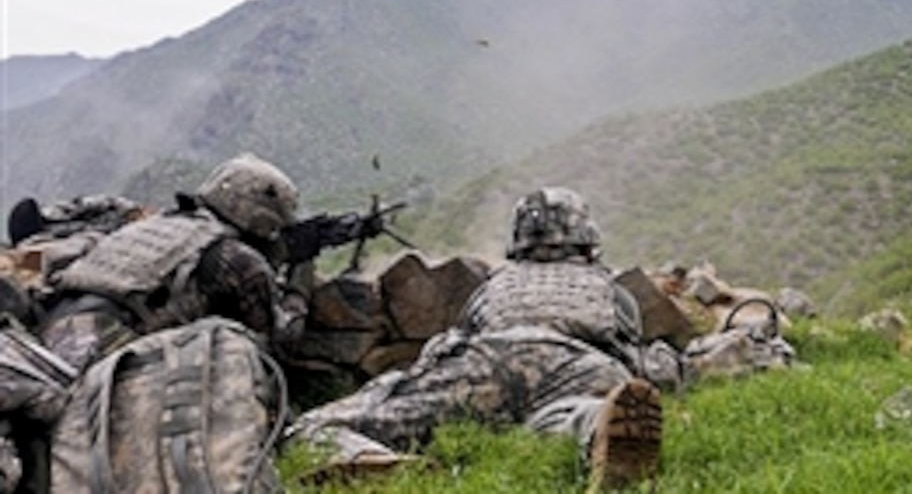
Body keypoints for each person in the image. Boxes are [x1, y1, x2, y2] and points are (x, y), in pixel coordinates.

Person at [288, 186, 686, 489]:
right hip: (582, 367)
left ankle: (369, 455)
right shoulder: (609, 288)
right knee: (553, 417)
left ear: (519, 239)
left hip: (487, 364)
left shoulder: (494, 286)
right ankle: (591, 426)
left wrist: (410, 382)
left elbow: (447, 346)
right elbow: (635, 359)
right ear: (587, 237)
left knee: (312, 426)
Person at [34, 152, 307, 373]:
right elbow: (278, 346)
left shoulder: (155, 224)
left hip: (47, 335)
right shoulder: (237, 258)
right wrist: (300, 285)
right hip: (104, 356)